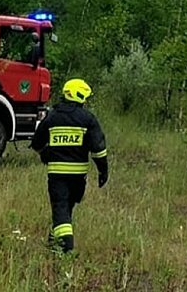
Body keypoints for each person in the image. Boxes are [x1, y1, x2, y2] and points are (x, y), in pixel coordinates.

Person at [30, 78, 108, 253]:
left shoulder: (52, 117)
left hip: (57, 176)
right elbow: (99, 149)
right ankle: (53, 242)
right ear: (79, 95)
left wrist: (45, 154)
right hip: (78, 178)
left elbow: (36, 143)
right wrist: (103, 171)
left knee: (60, 208)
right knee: (65, 210)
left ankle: (66, 251)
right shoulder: (87, 119)